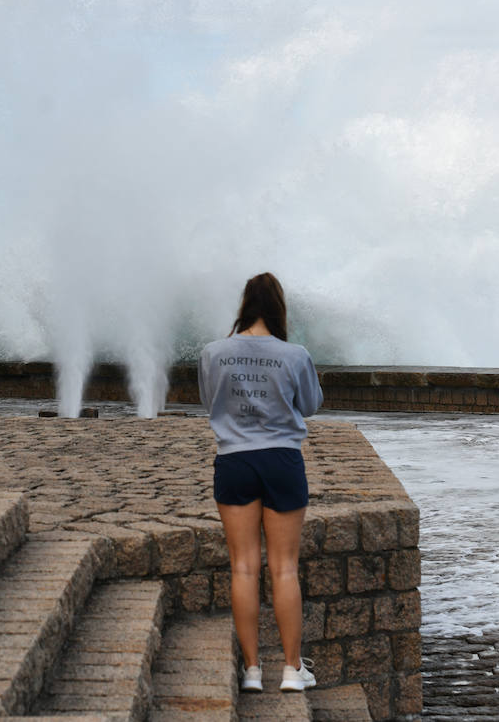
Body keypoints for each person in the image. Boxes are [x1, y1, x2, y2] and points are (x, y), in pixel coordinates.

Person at [197, 272, 324, 694]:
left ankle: (252, 670)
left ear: (244, 305)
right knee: (285, 567)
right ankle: (291, 669)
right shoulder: (295, 354)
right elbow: (310, 405)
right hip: (282, 461)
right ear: (277, 308)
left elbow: (209, 400)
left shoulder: (213, 352)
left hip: (233, 460)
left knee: (244, 567)